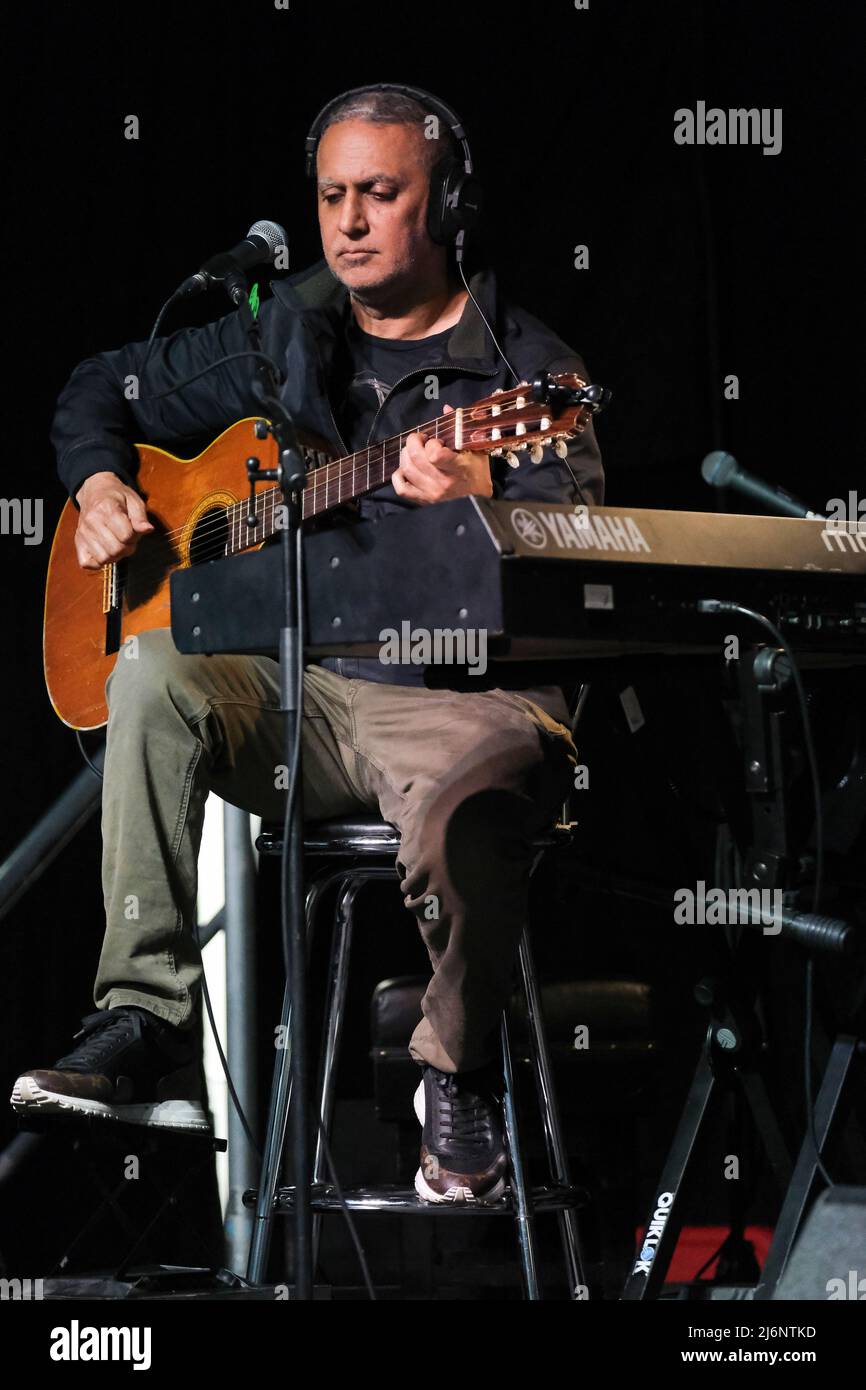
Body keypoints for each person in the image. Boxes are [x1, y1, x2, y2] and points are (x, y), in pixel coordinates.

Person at [11, 85, 604, 1205]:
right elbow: (99, 386)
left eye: (379, 194)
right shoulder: (285, 332)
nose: (348, 221)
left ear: (445, 206)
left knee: (480, 787)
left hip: (462, 699)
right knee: (153, 665)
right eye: (332, 195)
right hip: (309, 699)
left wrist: (486, 506)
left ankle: (453, 1069)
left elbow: (583, 575)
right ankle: (142, 1017)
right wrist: (97, 483)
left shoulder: (523, 375)